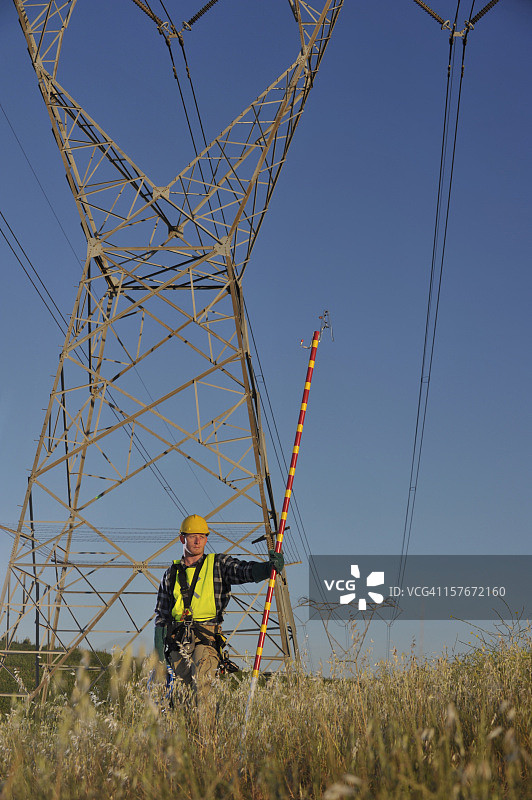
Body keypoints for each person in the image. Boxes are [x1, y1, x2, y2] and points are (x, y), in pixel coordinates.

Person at [153, 513, 284, 708]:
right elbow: (161, 616)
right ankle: (184, 738)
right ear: (182, 538)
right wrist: (158, 656)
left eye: (203, 536)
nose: (198, 541)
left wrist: (267, 568)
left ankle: (206, 737)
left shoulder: (218, 564)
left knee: (203, 691)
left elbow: (243, 570)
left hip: (205, 639)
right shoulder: (170, 574)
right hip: (176, 644)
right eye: (192, 536)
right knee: (180, 701)